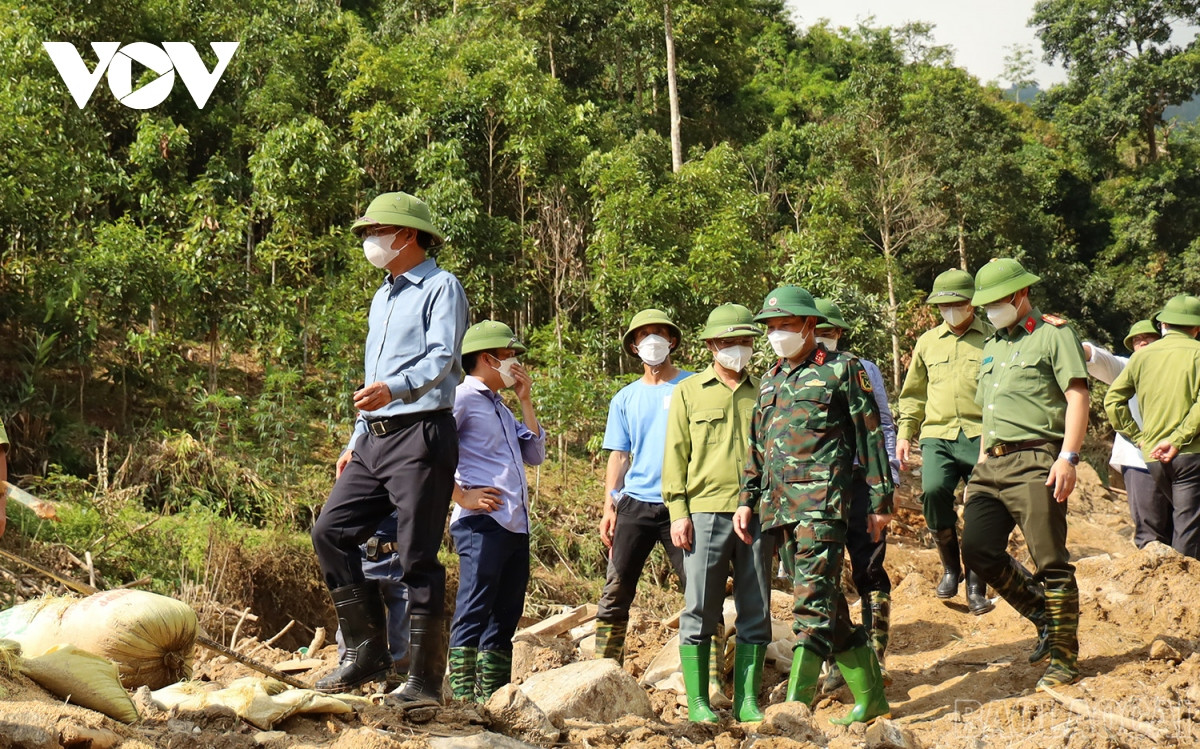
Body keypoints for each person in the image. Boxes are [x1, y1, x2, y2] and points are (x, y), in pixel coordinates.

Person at [311, 192, 468, 708]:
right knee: (331, 530)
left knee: (417, 554)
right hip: (374, 438)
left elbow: (444, 357)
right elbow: (371, 382)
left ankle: (423, 681)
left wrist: (396, 389)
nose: (369, 241)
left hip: (421, 433)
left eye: (375, 231)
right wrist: (357, 437)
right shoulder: (383, 296)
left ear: (406, 234)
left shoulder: (442, 287)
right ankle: (366, 648)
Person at [735, 286, 894, 726]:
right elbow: (756, 448)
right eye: (770, 327)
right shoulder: (770, 380)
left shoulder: (843, 370)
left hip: (824, 506)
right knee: (827, 606)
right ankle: (873, 697)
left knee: (808, 607)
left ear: (809, 325)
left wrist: (880, 500)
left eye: (785, 325)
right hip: (778, 509)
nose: (776, 334)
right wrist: (748, 500)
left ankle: (792, 711)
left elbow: (870, 434)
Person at [960, 258, 1089, 691]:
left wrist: (1068, 457)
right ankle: (1042, 614)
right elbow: (990, 411)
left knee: (1051, 561)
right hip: (991, 463)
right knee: (977, 549)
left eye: (996, 301)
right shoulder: (994, 345)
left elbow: (1077, 395)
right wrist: (979, 461)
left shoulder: (1054, 334)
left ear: (1020, 296)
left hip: (1036, 459)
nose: (990, 310)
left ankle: (1065, 659)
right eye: (986, 304)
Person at [662, 304, 770, 723]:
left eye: (745, 342)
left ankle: (747, 699)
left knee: (756, 603)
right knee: (700, 606)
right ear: (711, 345)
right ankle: (699, 700)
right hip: (704, 512)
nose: (738, 350)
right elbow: (675, 454)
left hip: (756, 512)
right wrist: (678, 511)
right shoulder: (688, 391)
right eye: (729, 342)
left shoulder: (764, 391)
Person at [447, 320, 545, 702]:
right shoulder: (461, 399)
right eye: (508, 357)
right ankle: (460, 700)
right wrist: (462, 496)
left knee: (505, 613)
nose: (515, 364)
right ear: (487, 358)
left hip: (515, 525)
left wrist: (525, 400)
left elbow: (535, 453)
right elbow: (431, 452)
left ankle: (492, 698)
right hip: (481, 522)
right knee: (474, 605)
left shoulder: (502, 409)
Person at [811, 298, 901, 688]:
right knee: (822, 577)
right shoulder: (793, 374)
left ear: (839, 334)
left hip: (862, 484)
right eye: (817, 332)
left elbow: (881, 422)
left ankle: (876, 654)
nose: (823, 339)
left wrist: (889, 479)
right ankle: (839, 659)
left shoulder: (862, 369)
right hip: (817, 490)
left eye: (829, 333)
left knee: (868, 568)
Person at [595, 309, 692, 664]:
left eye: (659, 333)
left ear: (673, 341)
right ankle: (605, 670)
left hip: (682, 505)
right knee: (616, 590)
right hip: (634, 503)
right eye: (644, 335)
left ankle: (707, 677)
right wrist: (610, 505)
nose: (652, 340)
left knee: (697, 592)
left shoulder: (693, 386)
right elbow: (619, 455)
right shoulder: (625, 398)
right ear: (634, 346)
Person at [896, 269, 994, 614]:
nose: (951, 310)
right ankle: (952, 568)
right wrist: (905, 432)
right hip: (938, 435)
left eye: (958, 303)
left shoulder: (994, 339)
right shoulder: (927, 342)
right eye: (944, 305)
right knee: (935, 492)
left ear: (972, 303)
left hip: (982, 435)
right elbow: (913, 394)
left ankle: (976, 585)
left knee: (982, 509)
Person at [1105, 295, 1200, 560]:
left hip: (1153, 457)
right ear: (1196, 328)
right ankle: (1185, 594)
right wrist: (1180, 438)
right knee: (1188, 527)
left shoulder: (1141, 358)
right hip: (1191, 455)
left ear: (1164, 325)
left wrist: (1138, 437)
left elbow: (1112, 401)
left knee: (1175, 526)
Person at [1082, 320, 1165, 548]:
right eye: (1137, 341)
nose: (1143, 343)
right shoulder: (1126, 368)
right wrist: (1081, 349)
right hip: (1139, 460)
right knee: (1149, 527)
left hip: (1180, 458)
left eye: (1149, 338)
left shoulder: (1180, 367)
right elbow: (1100, 360)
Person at [334, 509, 411, 684]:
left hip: (408, 553)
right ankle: (349, 673)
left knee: (406, 620)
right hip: (366, 552)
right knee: (355, 615)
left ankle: (398, 677)